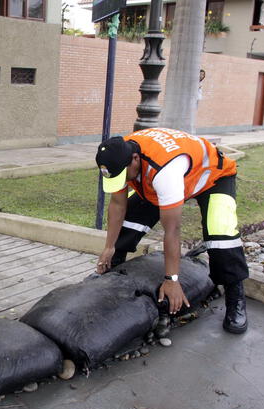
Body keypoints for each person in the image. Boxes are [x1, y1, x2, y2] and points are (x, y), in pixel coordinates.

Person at [95, 128, 248, 334]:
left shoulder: (165, 172)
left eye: (123, 175)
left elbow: (173, 230)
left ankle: (235, 297)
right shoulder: (116, 156)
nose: (121, 181)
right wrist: (109, 247)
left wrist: (171, 280)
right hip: (171, 175)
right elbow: (117, 204)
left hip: (212, 177)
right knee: (130, 218)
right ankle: (113, 267)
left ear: (134, 159)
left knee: (221, 235)